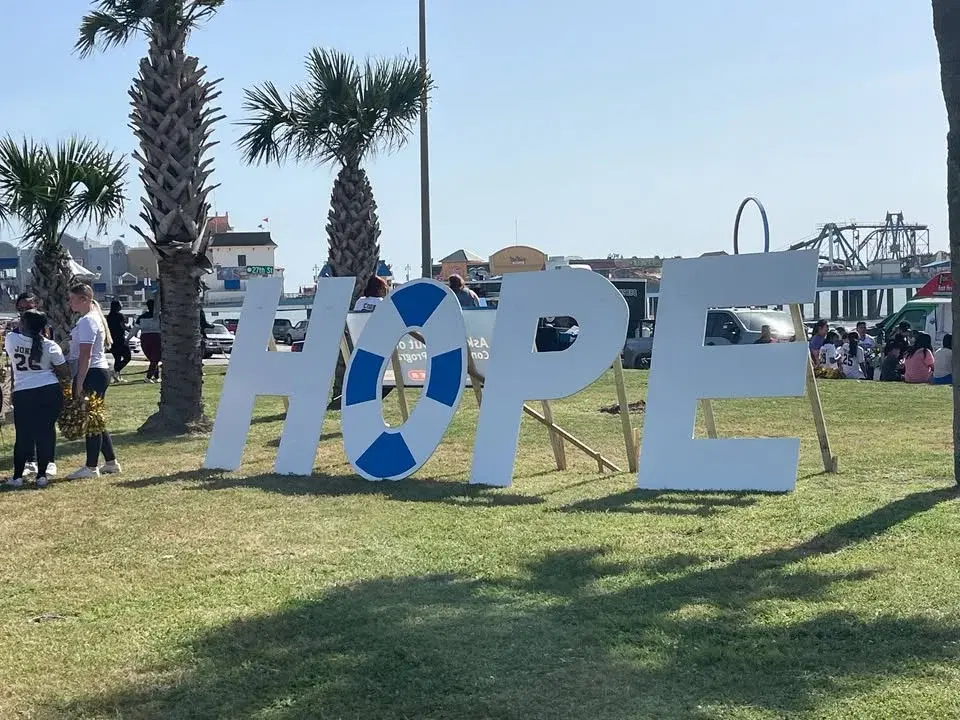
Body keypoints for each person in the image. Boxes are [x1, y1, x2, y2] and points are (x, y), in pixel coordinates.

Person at [4, 311, 68, 488]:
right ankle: (42, 476)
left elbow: (13, 335)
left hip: (23, 392)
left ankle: (17, 477)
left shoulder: (11, 339)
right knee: (45, 434)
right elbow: (64, 371)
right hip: (49, 390)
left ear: (23, 324)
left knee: (23, 436)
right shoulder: (50, 346)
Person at [65, 283, 121, 480]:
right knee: (96, 418)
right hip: (97, 371)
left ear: (84, 299)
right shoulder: (91, 319)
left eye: (73, 298)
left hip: (93, 372)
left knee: (91, 419)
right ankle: (111, 462)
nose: (70, 302)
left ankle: (91, 466)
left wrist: (79, 381)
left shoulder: (88, 321)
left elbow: (85, 354)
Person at [9, 293, 56, 477]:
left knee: (45, 425)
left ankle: (49, 460)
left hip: (44, 381)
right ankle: (30, 459)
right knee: (25, 428)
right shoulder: (15, 334)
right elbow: (14, 364)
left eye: (27, 308)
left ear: (36, 305)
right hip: (24, 384)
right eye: (20, 309)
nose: (23, 312)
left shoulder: (44, 328)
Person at [106, 301, 131, 383]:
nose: (122, 306)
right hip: (120, 338)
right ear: (117, 306)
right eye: (121, 305)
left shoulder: (109, 317)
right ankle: (115, 371)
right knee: (127, 357)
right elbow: (122, 326)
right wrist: (129, 329)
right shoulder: (120, 315)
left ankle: (117, 377)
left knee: (117, 358)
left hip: (112, 340)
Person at [136, 299, 161, 383]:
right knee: (155, 359)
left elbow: (135, 329)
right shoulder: (160, 316)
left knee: (153, 359)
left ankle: (157, 377)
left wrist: (128, 339)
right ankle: (148, 377)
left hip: (144, 338)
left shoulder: (141, 317)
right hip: (156, 338)